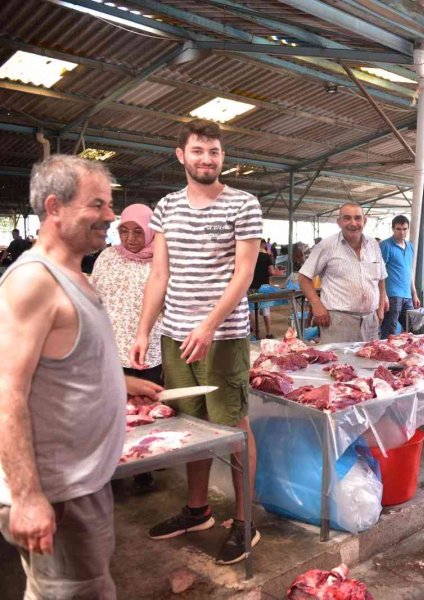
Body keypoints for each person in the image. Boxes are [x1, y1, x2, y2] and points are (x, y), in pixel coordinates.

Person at [131, 119, 263, 566]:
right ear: (180, 155)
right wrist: (144, 330)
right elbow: (159, 274)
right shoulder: (166, 207)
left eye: (215, 152)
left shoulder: (243, 204)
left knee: (232, 427)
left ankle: (246, 523)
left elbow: (243, 274)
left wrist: (208, 325)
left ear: (222, 157)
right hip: (174, 335)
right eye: (199, 151)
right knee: (191, 427)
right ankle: (197, 510)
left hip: (222, 337)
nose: (208, 159)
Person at [0, 155, 125, 598]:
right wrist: (28, 497)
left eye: (109, 204)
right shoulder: (33, 282)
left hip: (81, 482)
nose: (110, 215)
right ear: (54, 208)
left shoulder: (74, 272)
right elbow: (6, 393)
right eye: (97, 205)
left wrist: (123, 385)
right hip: (56, 489)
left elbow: (63, 362)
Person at [91, 202, 166, 494]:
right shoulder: (107, 257)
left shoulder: (160, 260)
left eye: (138, 231)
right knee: (110, 411)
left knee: (143, 412)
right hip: (108, 348)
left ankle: (143, 468)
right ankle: (112, 467)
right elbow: (94, 294)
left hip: (146, 351)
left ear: (150, 232)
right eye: (125, 230)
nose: (131, 238)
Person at [298, 202, 387, 344]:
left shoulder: (373, 244)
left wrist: (381, 305)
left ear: (365, 221)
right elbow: (303, 276)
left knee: (370, 363)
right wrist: (316, 303)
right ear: (339, 222)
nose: (353, 223)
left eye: (358, 218)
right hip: (338, 320)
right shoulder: (326, 246)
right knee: (338, 364)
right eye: (347, 218)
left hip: (370, 320)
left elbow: (381, 277)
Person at [379, 215, 420, 338]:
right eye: (398, 229)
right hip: (392, 296)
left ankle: (409, 356)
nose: (402, 232)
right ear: (393, 229)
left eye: (404, 229)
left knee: (413, 330)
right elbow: (379, 271)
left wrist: (414, 293)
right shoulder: (385, 245)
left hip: (407, 296)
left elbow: (409, 271)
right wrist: (383, 295)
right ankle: (384, 355)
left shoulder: (410, 247)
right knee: (389, 332)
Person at [249, 239, 276, 339]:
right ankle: (269, 333)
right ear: (264, 244)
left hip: (251, 286)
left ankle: (256, 333)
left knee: (251, 311)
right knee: (266, 312)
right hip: (264, 287)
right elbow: (272, 272)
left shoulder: (251, 256)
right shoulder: (267, 257)